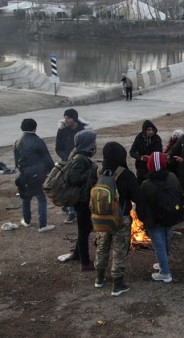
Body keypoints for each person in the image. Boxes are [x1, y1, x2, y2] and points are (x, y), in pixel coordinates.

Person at [94, 141, 142, 297]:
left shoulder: (97, 173)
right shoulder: (126, 174)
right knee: (119, 250)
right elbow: (136, 197)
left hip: (100, 217)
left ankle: (99, 278)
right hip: (121, 218)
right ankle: (117, 283)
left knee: (102, 247)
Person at [136, 152, 184, 283]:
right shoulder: (172, 177)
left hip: (155, 220)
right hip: (170, 216)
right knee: (165, 241)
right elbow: (180, 195)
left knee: (159, 245)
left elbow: (141, 206)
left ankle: (165, 273)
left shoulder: (146, 184)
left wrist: (143, 219)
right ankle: (164, 263)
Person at [57, 130, 98, 271]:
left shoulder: (78, 153)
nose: (94, 144)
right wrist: (92, 169)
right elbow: (74, 179)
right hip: (81, 200)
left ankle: (76, 253)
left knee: (85, 228)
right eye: (93, 142)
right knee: (84, 230)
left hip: (82, 198)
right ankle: (85, 262)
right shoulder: (80, 158)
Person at [13, 118, 55, 233]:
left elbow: (16, 161)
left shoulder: (17, 142)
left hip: (24, 174)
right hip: (38, 174)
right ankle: (43, 225)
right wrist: (52, 171)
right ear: (35, 128)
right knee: (41, 198)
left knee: (26, 197)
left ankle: (27, 221)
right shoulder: (38, 141)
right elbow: (47, 158)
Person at [55, 108, 91, 224]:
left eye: (68, 118)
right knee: (70, 186)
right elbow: (58, 147)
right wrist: (66, 157)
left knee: (84, 184)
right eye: (65, 117)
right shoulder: (62, 131)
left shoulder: (83, 130)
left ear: (74, 119)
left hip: (82, 160)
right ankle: (71, 212)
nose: (66, 120)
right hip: (68, 162)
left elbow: (89, 145)